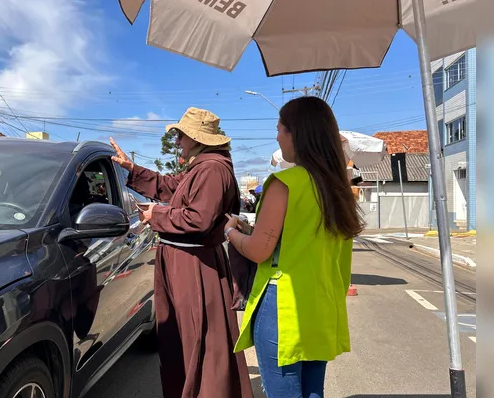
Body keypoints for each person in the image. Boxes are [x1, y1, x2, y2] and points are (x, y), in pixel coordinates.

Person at [225, 96, 364, 397]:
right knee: (313, 391)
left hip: (285, 305)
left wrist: (231, 233)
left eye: (279, 128)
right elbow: (305, 238)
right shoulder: (337, 188)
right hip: (323, 302)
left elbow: (260, 250)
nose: (276, 135)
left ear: (296, 133)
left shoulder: (284, 182)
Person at [110, 107, 253, 398]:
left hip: (193, 265)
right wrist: (132, 169)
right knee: (187, 337)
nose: (178, 143)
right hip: (185, 261)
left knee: (199, 338)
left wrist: (156, 216)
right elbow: (169, 187)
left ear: (197, 139)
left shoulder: (212, 169)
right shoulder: (202, 167)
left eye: (182, 137)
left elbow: (199, 219)